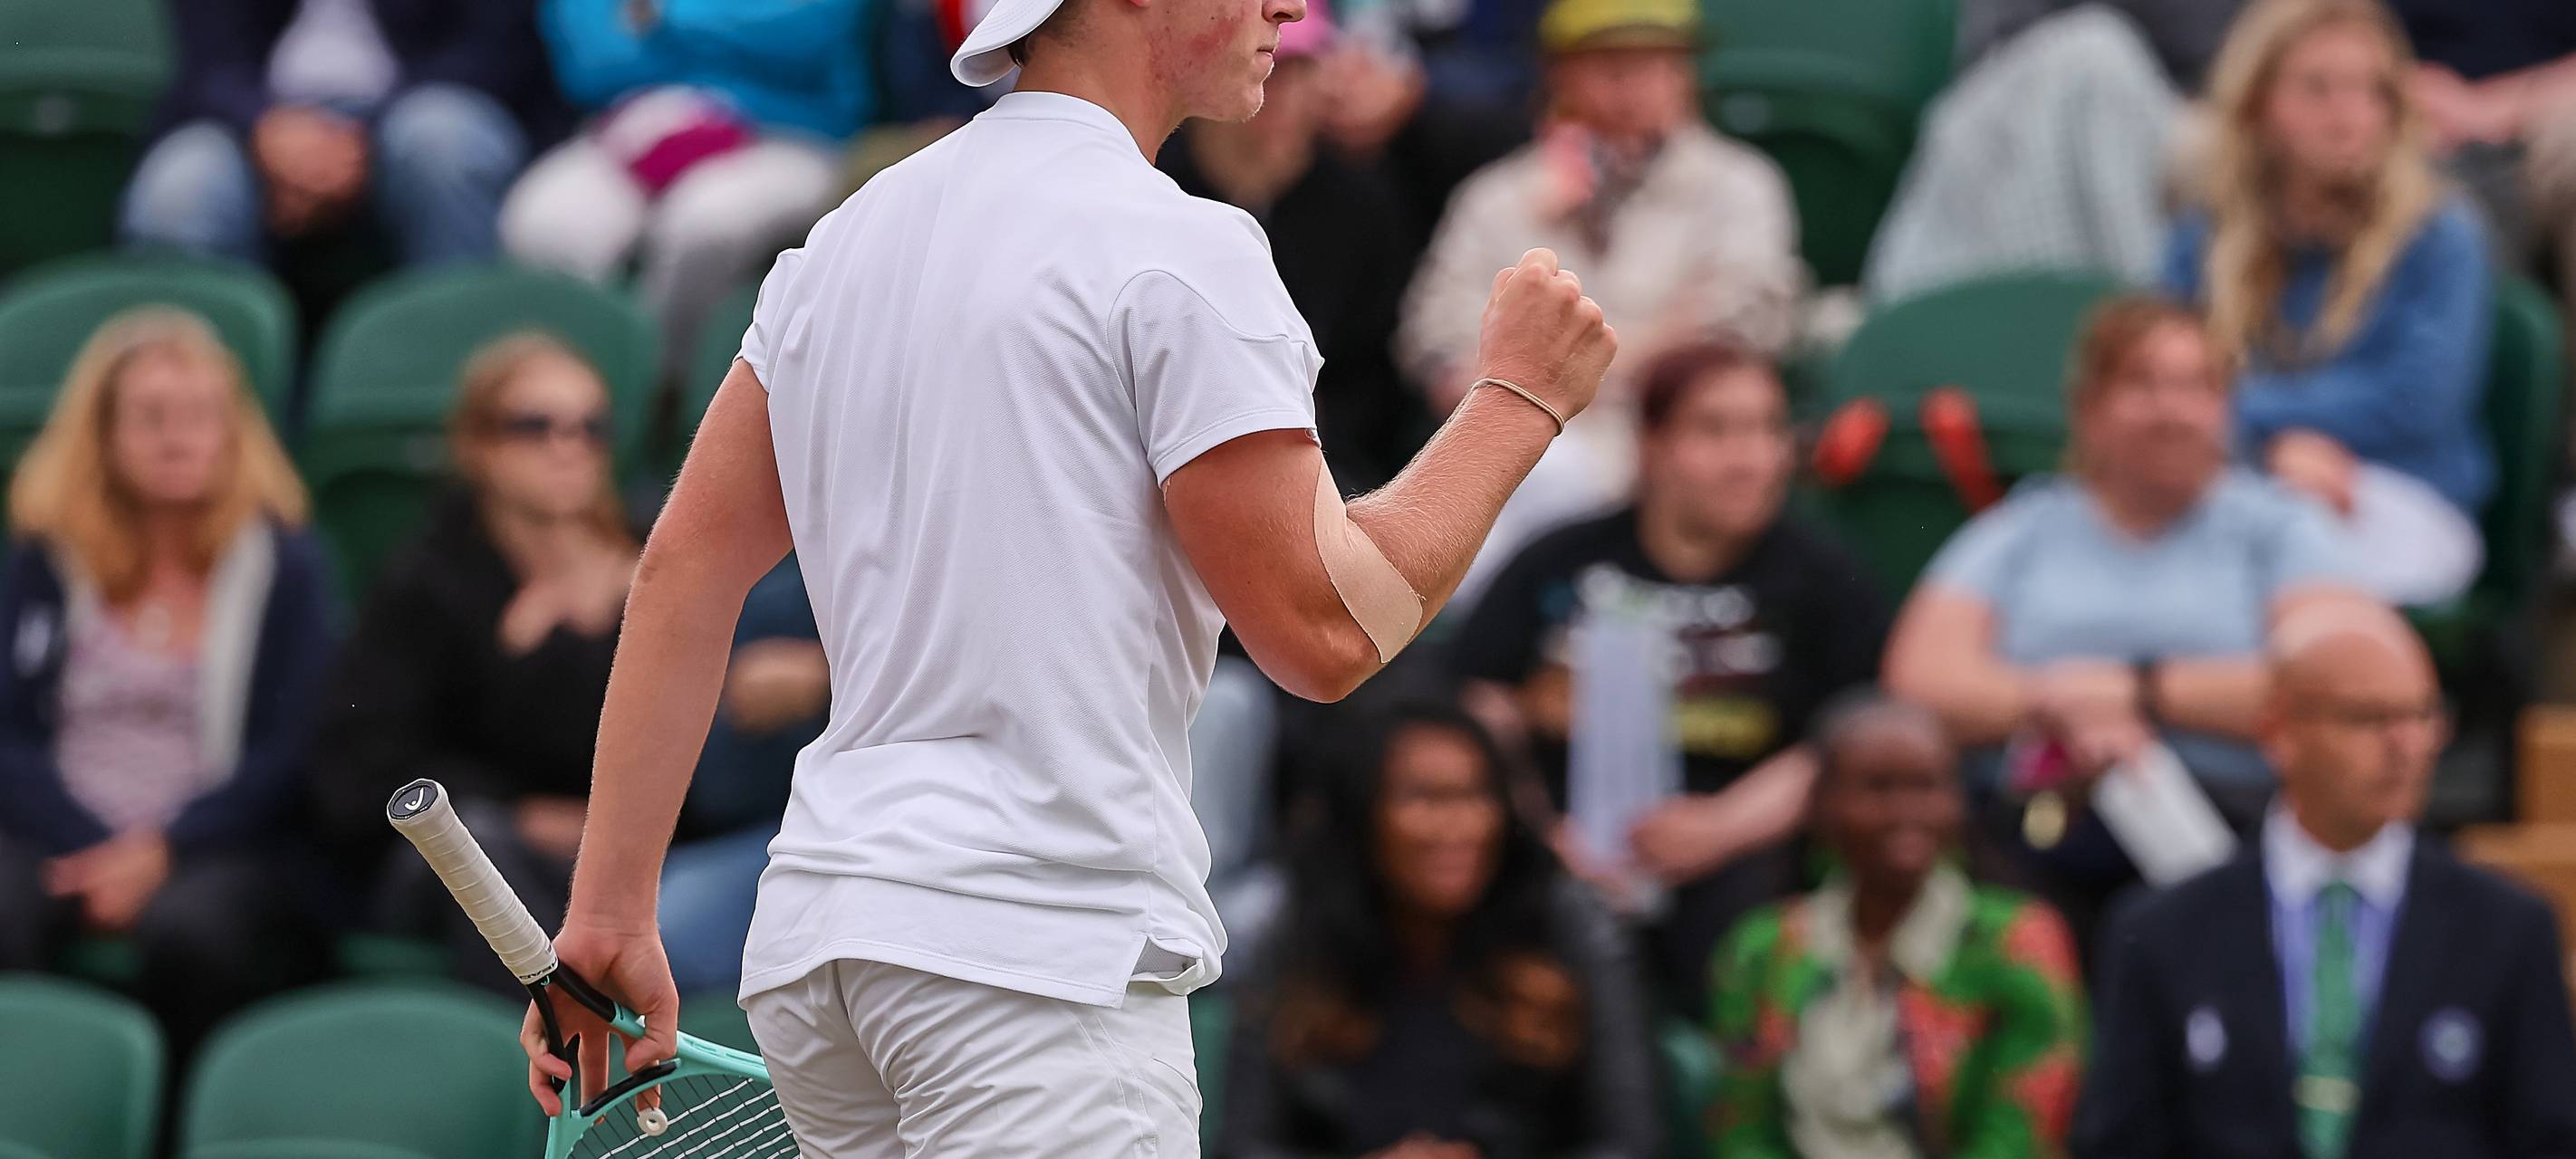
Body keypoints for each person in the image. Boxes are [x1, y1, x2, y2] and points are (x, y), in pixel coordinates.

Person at [515, 0, 1619, 1135]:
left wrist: (605, 914)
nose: (1295, 6)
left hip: (826, 960)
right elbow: (1326, 633)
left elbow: (684, 570)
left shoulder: (850, 236)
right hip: (1033, 964)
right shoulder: (1182, 248)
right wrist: (1517, 402)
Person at [1882, 296, 2360, 950]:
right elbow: (1919, 679)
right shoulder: (2025, 528)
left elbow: (2337, 685)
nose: (2170, 410)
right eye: (2142, 384)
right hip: (2041, 812)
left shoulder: (2280, 527)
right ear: (2088, 409)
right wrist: (2060, 706)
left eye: (2194, 386)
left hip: (2232, 819)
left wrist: (2140, 693)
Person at [1453, 345, 1889, 1012]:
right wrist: (1539, 830)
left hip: (1738, 858)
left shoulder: (1822, 581)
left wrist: (1719, 828)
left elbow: (1844, 742)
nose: (1751, 459)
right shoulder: (1563, 558)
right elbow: (1472, 701)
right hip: (1557, 852)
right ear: (1651, 443)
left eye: (1769, 430)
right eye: (1716, 431)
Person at [2074, 599, 2576, 1159]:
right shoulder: (2160, 931)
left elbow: (2548, 1136)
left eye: (2424, 717)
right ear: (2279, 732)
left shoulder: (2509, 928)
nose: (2406, 746)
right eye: (2369, 719)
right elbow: (2118, 1140)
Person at [0, 310, 333, 1049]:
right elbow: (11, 736)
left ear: (233, 431)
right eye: (149, 417)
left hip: (221, 841)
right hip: (59, 834)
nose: (175, 437)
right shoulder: (44, 558)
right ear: (103, 435)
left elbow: (290, 750)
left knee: (196, 932)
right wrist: (93, 849)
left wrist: (163, 849)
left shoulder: (285, 566)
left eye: (199, 416)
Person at [1399, 0, 1804, 592]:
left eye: (1657, 64)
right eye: (1611, 65)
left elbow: (1745, 321)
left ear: (1687, 74)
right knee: (1534, 478)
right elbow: (1434, 334)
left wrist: (1560, 372)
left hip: (1677, 444)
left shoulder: (1740, 186)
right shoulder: (1497, 197)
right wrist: (1516, 403)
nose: (1635, 86)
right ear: (1560, 74)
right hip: (1523, 446)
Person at [314, 333, 636, 987]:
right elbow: (358, 774)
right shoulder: (427, 583)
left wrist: (591, 635)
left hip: (620, 859)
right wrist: (517, 809)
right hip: (446, 863)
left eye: (589, 428)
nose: (567, 447)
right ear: (479, 446)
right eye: (534, 426)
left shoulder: (649, 566)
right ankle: (567, 1046)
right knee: (482, 848)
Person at [1219, 701, 1659, 1159]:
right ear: (1362, 811)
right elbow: (1241, 1145)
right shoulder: (1299, 935)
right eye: (1424, 797)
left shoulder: (1568, 924)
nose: (1460, 825)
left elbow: (1632, 1143)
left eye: (1479, 794)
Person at [2164, 0, 2495, 608]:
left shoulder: (2442, 234)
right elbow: (2168, 381)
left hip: (2399, 492)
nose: (2348, 116)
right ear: (2259, 102)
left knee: (2289, 583)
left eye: (2371, 92)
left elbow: (2416, 399)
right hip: (2244, 477)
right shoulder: (2204, 234)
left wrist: (2250, 421)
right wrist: (2267, 451)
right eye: (2317, 90)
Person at [1711, 694, 2085, 1159]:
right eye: (1877, 787)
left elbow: (2020, 1133)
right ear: (1821, 805)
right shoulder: (1762, 948)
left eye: (1927, 786)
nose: (1906, 812)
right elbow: (1742, 1131)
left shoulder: (2018, 940)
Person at [500, 0, 873, 375]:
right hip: (639, 124)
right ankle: (587, 390)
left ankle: (660, 396)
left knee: (705, 224)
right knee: (549, 225)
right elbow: (593, 62)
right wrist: (726, 38)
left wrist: (668, 17)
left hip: (782, 131)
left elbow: (807, 34)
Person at [1161, 1, 1428, 493]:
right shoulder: (1158, 183)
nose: (1278, 90)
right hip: (1179, 450)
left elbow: (1374, 364)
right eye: (1268, 63)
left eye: (1299, 70)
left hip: (1336, 464)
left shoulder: (1361, 202)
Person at [121, 0, 559, 268]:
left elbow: (497, 48)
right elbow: (208, 60)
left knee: (444, 144)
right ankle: (209, 414)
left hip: (414, 108)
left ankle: (457, 392)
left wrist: (353, 143)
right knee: (179, 193)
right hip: (260, 121)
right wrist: (266, 127)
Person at [657, 558, 828, 996]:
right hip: (791, 833)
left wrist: (826, 678)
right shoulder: (774, 601)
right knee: (667, 926)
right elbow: (717, 792)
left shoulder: (971, 579)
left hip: (952, 825)